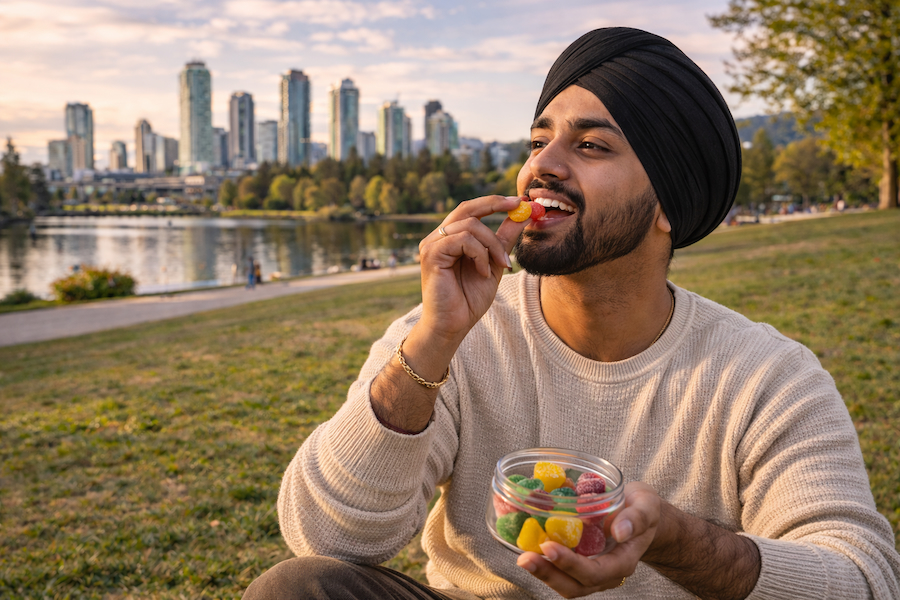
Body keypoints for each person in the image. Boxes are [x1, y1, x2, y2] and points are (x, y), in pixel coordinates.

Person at [244, 28, 900, 600]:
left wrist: (669, 538)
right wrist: (431, 341)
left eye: (590, 146)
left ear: (668, 206)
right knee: (295, 590)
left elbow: (861, 580)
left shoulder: (769, 377)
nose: (541, 168)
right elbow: (327, 539)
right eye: (539, 140)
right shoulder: (454, 338)